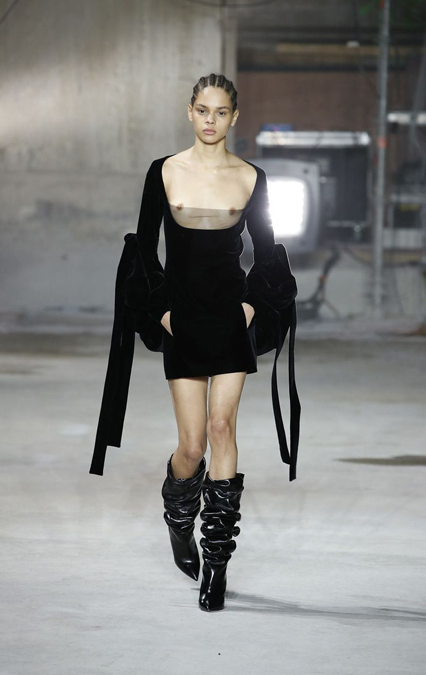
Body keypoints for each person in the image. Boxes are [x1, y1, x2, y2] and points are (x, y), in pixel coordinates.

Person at [89, 73, 301, 612]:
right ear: (190, 112)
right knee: (191, 447)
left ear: (234, 116)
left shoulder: (250, 177)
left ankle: (217, 565)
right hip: (181, 319)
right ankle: (178, 519)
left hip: (231, 317)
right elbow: (144, 248)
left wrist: (250, 307)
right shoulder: (163, 171)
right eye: (203, 110)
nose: (211, 120)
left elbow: (267, 251)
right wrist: (161, 311)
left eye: (221, 112)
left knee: (222, 427)